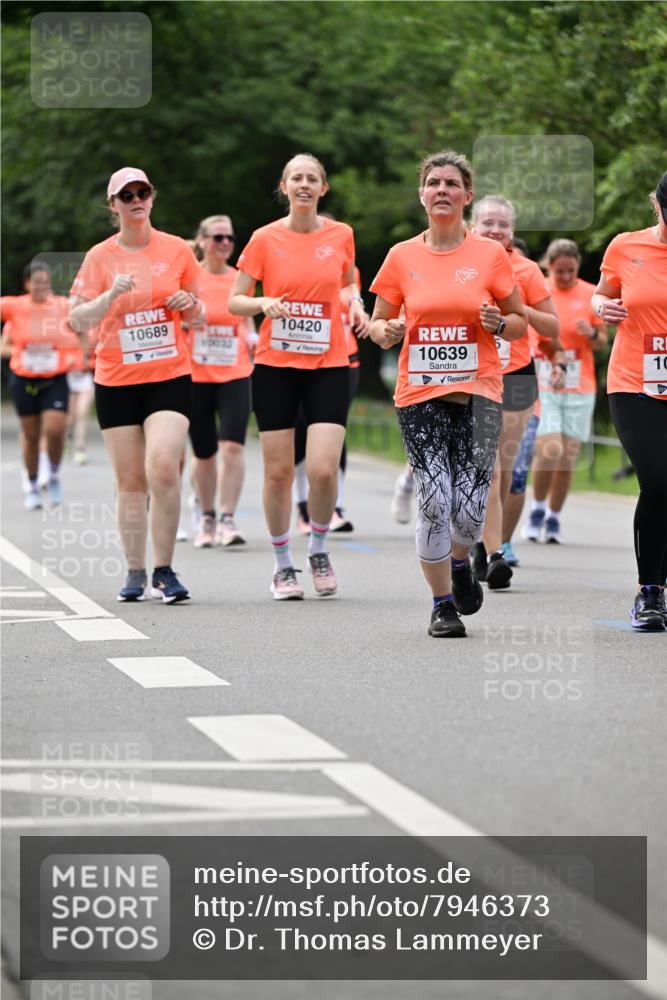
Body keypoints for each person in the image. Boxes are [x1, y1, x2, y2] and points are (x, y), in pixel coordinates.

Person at [369, 150, 526, 638]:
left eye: (452, 183)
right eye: (433, 182)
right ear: (421, 193)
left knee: (471, 508)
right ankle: (441, 605)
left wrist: (499, 322)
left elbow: (519, 323)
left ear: (467, 195)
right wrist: (386, 331)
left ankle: (461, 562)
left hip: (480, 392)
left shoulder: (489, 255)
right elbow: (376, 322)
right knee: (435, 498)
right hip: (420, 394)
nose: (442, 190)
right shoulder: (402, 256)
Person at [229, 153, 368, 600]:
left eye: (312, 179)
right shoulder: (264, 239)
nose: (304, 185)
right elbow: (235, 301)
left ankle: (319, 548)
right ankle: (282, 563)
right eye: (296, 179)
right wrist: (263, 304)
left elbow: (347, 283)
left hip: (327, 364)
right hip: (275, 365)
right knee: (278, 473)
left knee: (325, 470)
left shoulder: (341, 234)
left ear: (323, 188)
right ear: (284, 187)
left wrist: (356, 304)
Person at [69, 167, 203, 603]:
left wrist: (190, 304)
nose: (135, 199)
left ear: (152, 197)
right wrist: (109, 297)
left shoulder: (178, 249)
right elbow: (75, 319)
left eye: (142, 191)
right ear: (114, 206)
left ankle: (164, 569)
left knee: (163, 464)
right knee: (130, 481)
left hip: (169, 375)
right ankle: (134, 569)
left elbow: (199, 315)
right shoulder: (99, 257)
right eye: (125, 195)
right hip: (116, 378)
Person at [470, 196, 559, 587]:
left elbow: (552, 327)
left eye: (503, 225)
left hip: (518, 375)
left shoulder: (525, 269)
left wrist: (519, 310)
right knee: (481, 466)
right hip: (470, 373)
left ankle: (492, 546)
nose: (495, 230)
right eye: (487, 222)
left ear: (513, 231)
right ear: (472, 225)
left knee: (500, 464)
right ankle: (481, 543)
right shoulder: (461, 262)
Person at [592, 171, 667, 631]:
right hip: (634, 381)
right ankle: (650, 590)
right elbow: (600, 297)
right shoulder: (626, 246)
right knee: (659, 481)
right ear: (658, 207)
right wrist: (602, 308)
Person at [522, 239, 606, 544]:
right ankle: (537, 508)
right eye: (560, 271)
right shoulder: (539, 291)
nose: (567, 276)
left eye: (571, 271)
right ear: (549, 266)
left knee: (567, 457)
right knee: (549, 448)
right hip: (545, 382)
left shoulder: (589, 293)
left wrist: (592, 332)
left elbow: (601, 342)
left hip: (579, 384)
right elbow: (530, 337)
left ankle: (554, 518)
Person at [184, 214, 256, 548]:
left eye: (229, 237)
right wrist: (186, 325)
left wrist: (253, 338)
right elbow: (173, 317)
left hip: (235, 372)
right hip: (195, 374)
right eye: (217, 237)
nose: (225, 243)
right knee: (204, 453)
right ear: (201, 241)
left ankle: (227, 518)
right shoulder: (189, 277)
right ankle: (206, 516)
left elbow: (244, 320)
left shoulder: (239, 278)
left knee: (232, 444)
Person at [294, 262, 368, 535]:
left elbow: (353, 302)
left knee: (335, 429)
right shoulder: (299, 267)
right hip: (305, 362)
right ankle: (303, 506)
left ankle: (336, 506)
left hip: (345, 362)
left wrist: (361, 314)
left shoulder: (351, 271)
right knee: (302, 430)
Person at [1, 261, 81, 509]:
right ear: (27, 284)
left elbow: (82, 329)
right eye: (37, 283)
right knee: (31, 434)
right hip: (24, 379)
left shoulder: (62, 306)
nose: (42, 287)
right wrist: (20, 350)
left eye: (46, 282)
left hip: (54, 378)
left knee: (55, 429)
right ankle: (33, 484)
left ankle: (53, 474)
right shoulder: (14, 306)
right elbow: (5, 347)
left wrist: (76, 355)